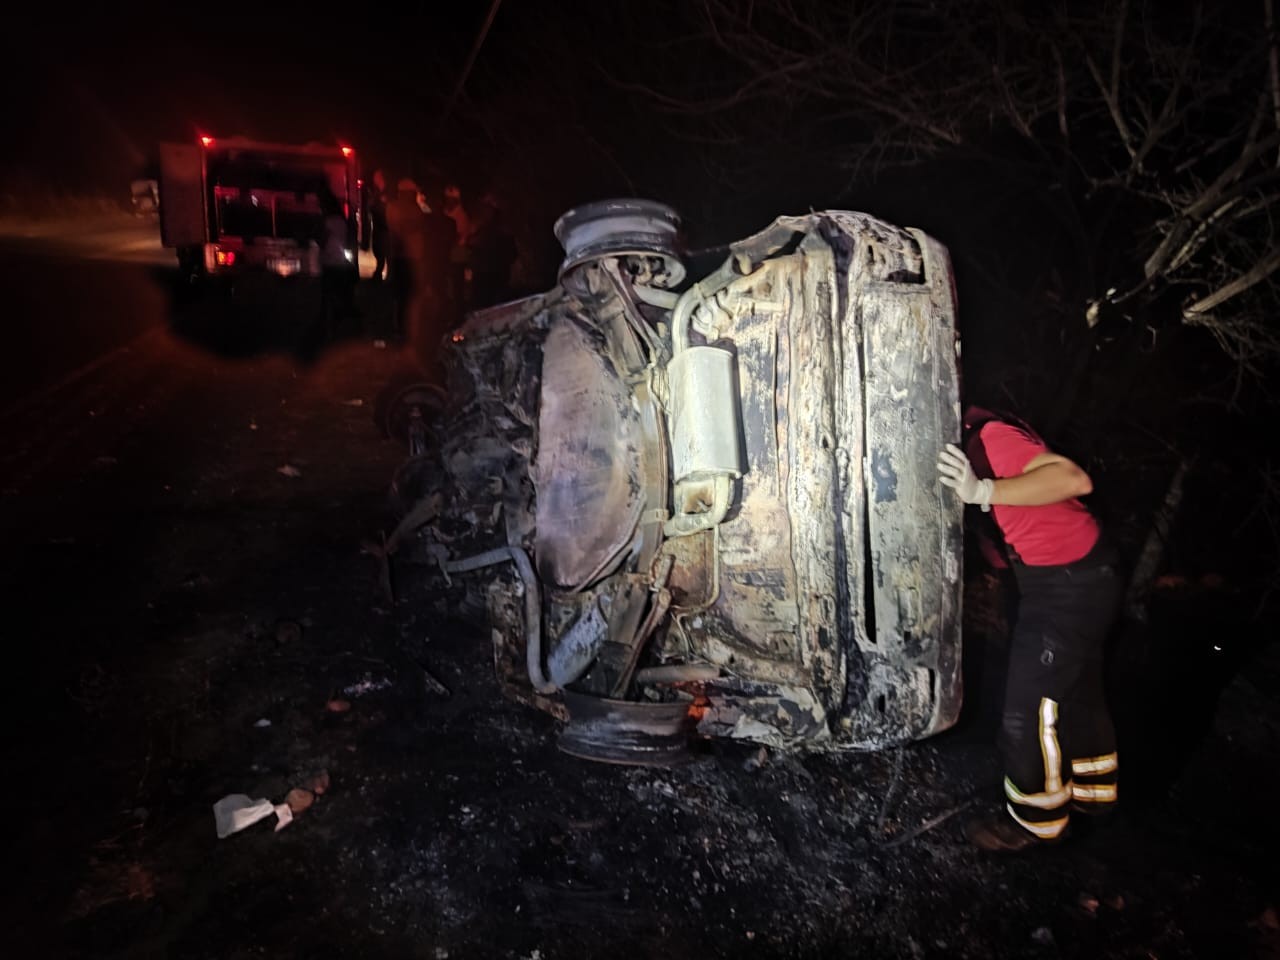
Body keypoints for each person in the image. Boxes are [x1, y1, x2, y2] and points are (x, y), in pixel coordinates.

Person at [937, 406, 1121, 852]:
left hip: (1069, 584)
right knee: (1075, 691)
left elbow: (1072, 478)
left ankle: (1036, 823)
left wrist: (982, 489)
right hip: (1076, 574)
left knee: (1027, 710)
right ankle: (1094, 796)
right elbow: (1009, 526)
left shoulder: (989, 437)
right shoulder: (969, 447)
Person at [465, 193, 517, 309]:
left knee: (488, 304)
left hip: (491, 275)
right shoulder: (484, 231)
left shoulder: (493, 232)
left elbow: (511, 253)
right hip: (490, 275)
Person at [363, 169, 389, 282]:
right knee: (378, 250)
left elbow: (381, 210)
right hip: (378, 227)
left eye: (376, 177)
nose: (374, 179)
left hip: (384, 228)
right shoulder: (377, 192)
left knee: (383, 251)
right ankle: (379, 273)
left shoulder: (385, 194)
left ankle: (381, 274)